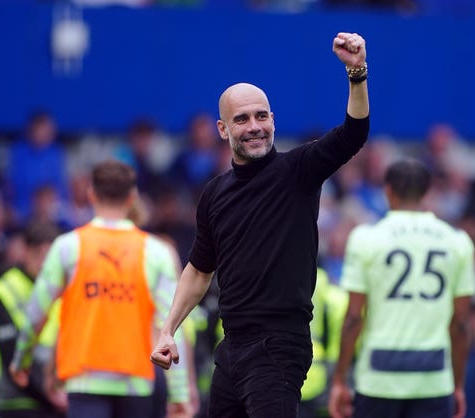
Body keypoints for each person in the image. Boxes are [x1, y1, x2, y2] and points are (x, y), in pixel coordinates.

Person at [150, 31, 370, 418]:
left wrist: (357, 73)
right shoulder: (215, 193)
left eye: (261, 116)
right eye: (242, 119)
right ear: (223, 130)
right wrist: (168, 329)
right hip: (232, 347)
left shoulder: (298, 170)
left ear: (273, 119)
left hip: (279, 345)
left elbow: (354, 133)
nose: (254, 126)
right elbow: (199, 270)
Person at [8, 160, 192, 418]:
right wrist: (180, 393)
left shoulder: (68, 247)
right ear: (132, 198)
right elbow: (171, 328)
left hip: (84, 380)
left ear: (91, 194)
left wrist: (21, 362)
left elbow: (36, 314)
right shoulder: (156, 252)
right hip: (136, 381)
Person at [328, 158, 475, 418]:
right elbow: (462, 323)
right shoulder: (457, 242)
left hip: (378, 378)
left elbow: (353, 318)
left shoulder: (366, 239)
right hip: (432, 379)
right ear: (427, 192)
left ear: (388, 191)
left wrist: (340, 379)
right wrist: (458, 385)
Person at [0, 219, 65, 418]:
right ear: (25, 251)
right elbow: (9, 353)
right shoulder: (3, 292)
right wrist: (51, 396)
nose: (43, 263)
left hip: (56, 399)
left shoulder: (63, 290)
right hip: (15, 402)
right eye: (38, 255)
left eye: (49, 256)